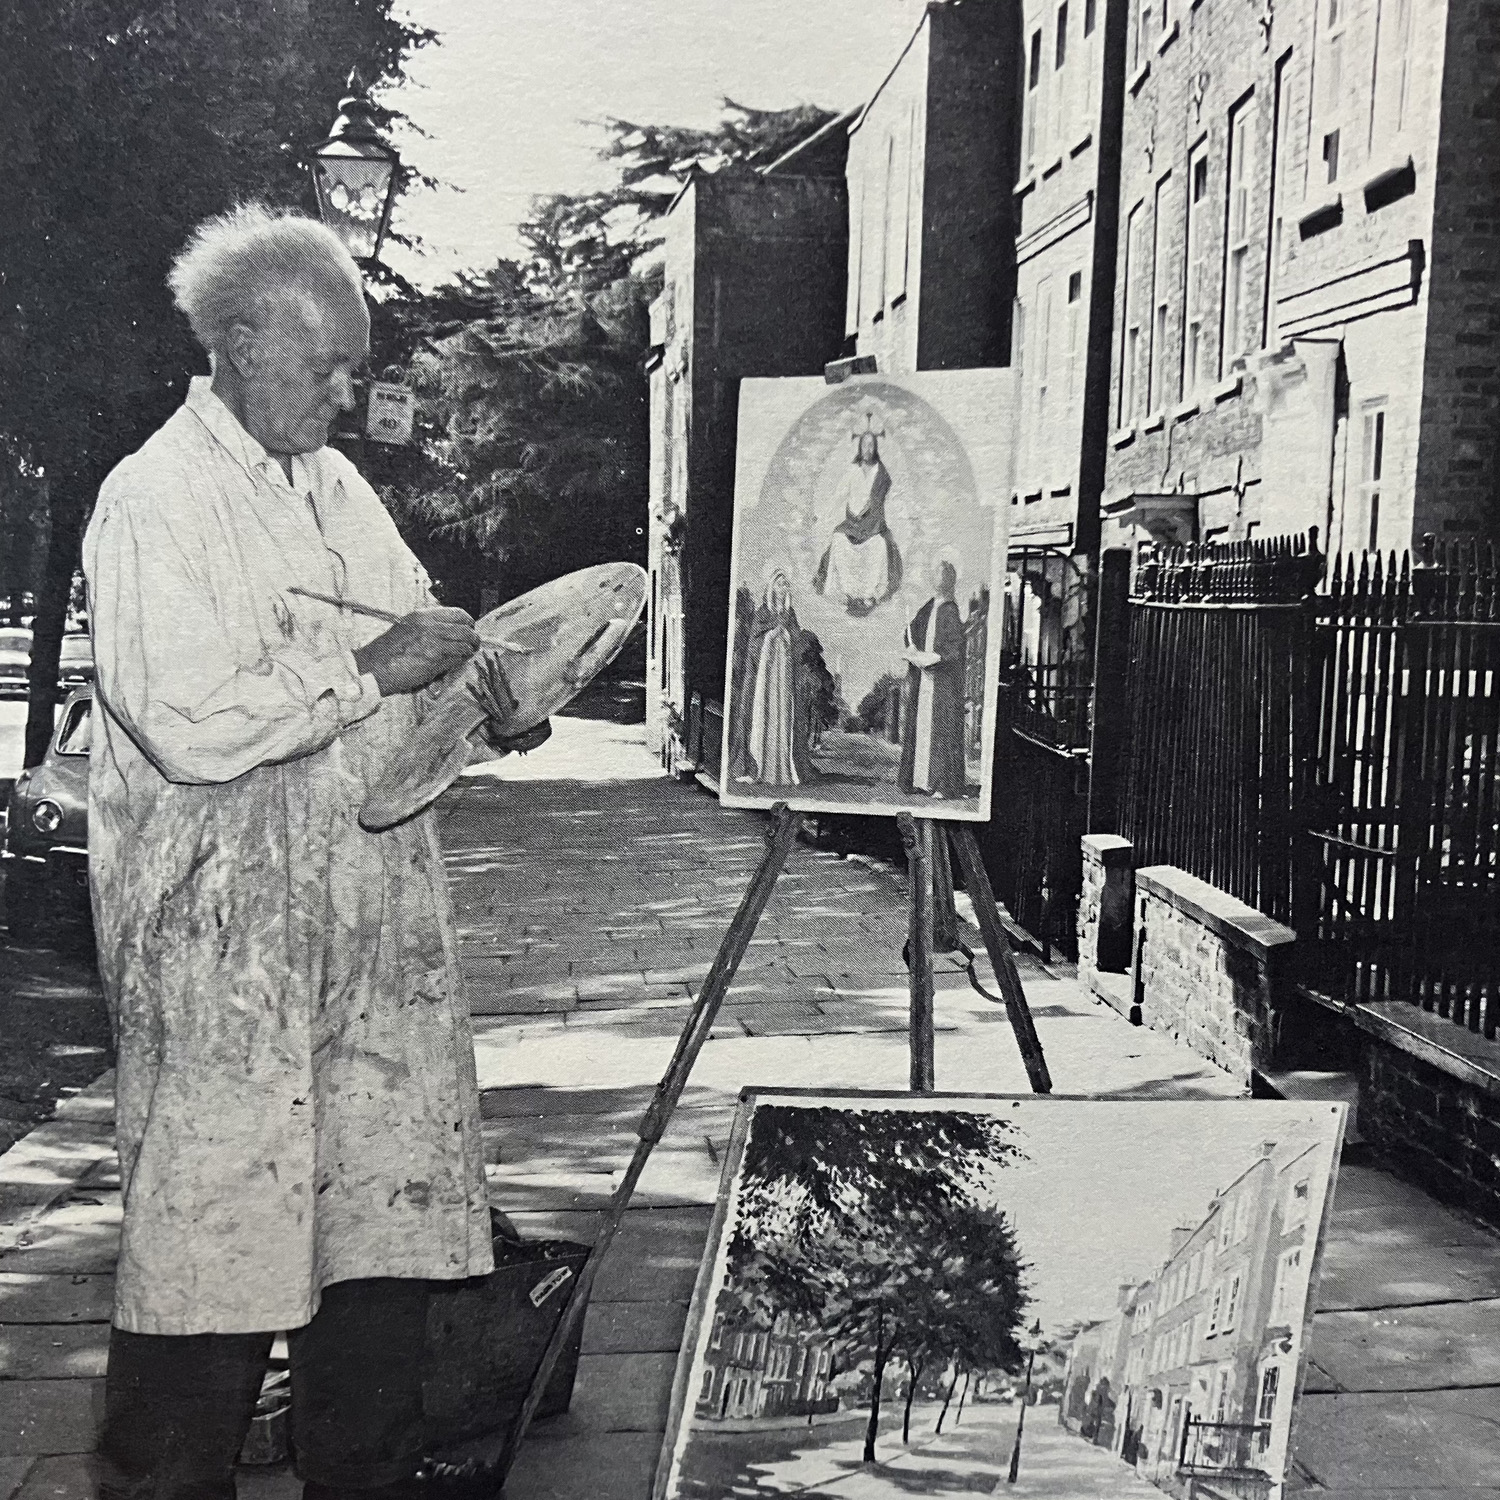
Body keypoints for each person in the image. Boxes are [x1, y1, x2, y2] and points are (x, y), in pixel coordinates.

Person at [84, 205, 531, 1500]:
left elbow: (414, 657)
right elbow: (185, 723)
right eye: (326, 362)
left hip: (369, 958)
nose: (350, 390)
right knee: (200, 1333)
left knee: (373, 1303)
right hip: (225, 973)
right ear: (234, 343)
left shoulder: (334, 486)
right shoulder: (150, 502)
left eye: (354, 363)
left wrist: (485, 700)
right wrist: (364, 669)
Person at [812, 427, 903, 616]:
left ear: (875, 447)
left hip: (873, 525)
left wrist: (866, 512)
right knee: (838, 538)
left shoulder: (881, 473)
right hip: (853, 525)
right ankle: (847, 593)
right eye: (864, 444)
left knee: (878, 545)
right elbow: (839, 496)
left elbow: (876, 501)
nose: (868, 448)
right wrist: (822, 514)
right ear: (860, 447)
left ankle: (870, 595)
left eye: (871, 445)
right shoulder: (852, 471)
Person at [897, 557, 968, 799]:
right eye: (935, 574)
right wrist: (912, 648)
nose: (937, 578)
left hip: (941, 685)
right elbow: (911, 633)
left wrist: (934, 657)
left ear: (949, 580)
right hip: (923, 682)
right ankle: (920, 780)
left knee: (940, 732)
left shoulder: (950, 609)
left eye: (942, 574)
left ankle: (942, 784)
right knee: (921, 730)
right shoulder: (928, 607)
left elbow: (955, 649)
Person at [738, 569, 809, 785]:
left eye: (786, 584)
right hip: (767, 676)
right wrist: (771, 634)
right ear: (772, 587)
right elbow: (754, 643)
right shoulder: (762, 613)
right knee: (766, 713)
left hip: (784, 673)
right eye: (779, 584)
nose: (783, 588)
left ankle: (783, 767)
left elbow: (797, 641)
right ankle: (763, 767)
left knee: (783, 714)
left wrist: (785, 634)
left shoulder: (790, 614)